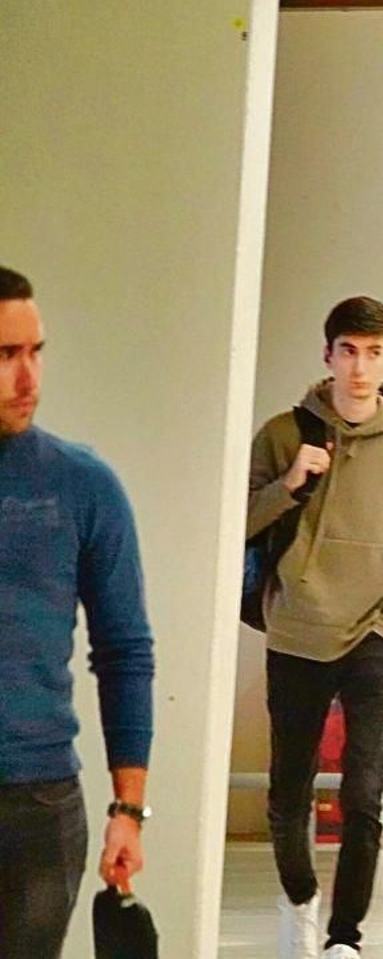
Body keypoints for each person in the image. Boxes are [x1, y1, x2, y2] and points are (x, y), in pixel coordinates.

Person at [247, 296, 383, 959]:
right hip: (296, 632)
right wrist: (289, 482)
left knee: (364, 794)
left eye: (373, 352)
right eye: (348, 351)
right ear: (328, 354)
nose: (360, 367)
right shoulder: (286, 432)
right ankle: (301, 899)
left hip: (371, 635)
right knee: (289, 790)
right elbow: (235, 520)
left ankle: (345, 938)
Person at [0, 266, 155, 957]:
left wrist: (128, 808)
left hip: (37, 801)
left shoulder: (81, 485)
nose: (28, 376)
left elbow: (125, 650)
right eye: (6, 355)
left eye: (36, 351)